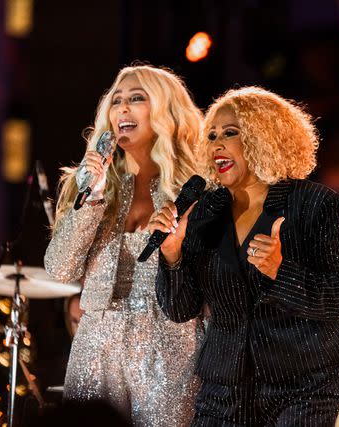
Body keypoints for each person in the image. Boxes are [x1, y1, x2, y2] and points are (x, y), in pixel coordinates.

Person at [150, 86, 339, 426]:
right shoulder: (205, 213)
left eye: (231, 133)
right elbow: (180, 308)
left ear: (264, 138)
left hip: (303, 386)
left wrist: (280, 270)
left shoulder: (315, 204)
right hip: (225, 387)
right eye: (212, 134)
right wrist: (172, 256)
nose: (217, 143)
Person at [44, 64, 203, 425]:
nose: (123, 110)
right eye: (116, 101)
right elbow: (60, 269)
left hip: (170, 346)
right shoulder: (93, 187)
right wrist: (93, 198)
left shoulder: (195, 190)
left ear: (165, 112)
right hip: (95, 343)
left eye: (136, 99)